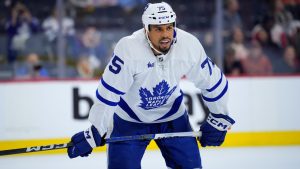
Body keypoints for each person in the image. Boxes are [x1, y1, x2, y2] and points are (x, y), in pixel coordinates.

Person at [67, 2, 235, 169]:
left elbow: (213, 82)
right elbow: (109, 92)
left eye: (169, 28)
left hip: (172, 118)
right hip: (129, 120)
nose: (165, 35)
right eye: (158, 29)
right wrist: (96, 129)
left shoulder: (188, 45)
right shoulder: (128, 49)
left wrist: (219, 117)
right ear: (146, 29)